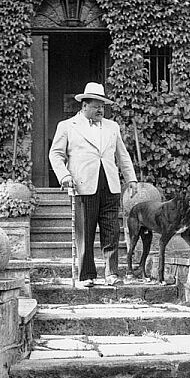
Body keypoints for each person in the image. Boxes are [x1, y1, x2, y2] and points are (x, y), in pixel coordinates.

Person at [49, 82, 138, 287]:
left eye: (103, 106)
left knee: (111, 231)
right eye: (96, 105)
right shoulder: (67, 126)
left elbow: (122, 155)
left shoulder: (111, 127)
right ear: (84, 106)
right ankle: (87, 275)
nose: (100, 110)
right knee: (85, 232)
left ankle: (112, 273)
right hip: (82, 185)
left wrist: (130, 178)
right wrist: (63, 176)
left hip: (110, 185)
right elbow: (55, 154)